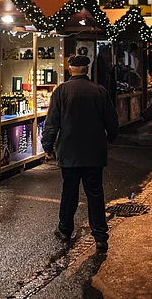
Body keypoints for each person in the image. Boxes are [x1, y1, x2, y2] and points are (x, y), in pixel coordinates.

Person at [42, 55, 119, 254]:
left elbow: (52, 122)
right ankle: (100, 236)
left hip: (69, 152)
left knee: (69, 192)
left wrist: (48, 145)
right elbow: (112, 120)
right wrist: (111, 137)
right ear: (87, 69)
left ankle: (65, 229)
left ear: (70, 70)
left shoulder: (61, 91)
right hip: (94, 152)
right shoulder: (99, 91)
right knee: (95, 193)